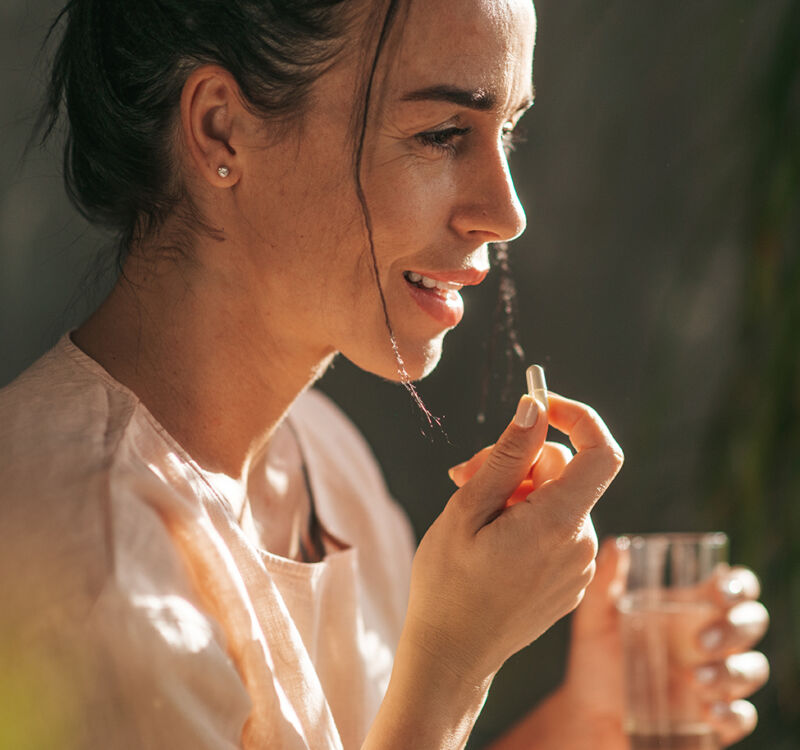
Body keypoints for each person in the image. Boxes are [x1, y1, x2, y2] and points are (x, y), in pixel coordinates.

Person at [0, 0, 769, 747]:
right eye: (442, 134)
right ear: (219, 127)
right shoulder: (77, 563)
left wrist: (584, 725)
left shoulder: (324, 460)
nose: (505, 214)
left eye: (509, 131)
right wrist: (454, 664)